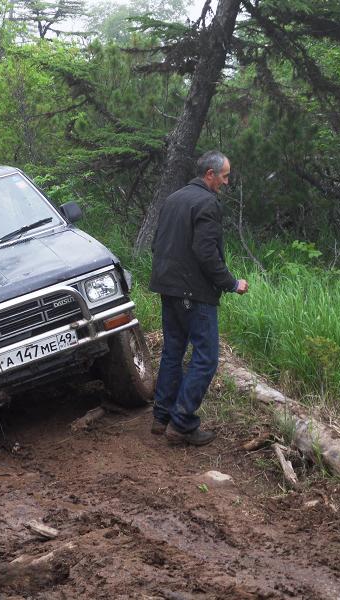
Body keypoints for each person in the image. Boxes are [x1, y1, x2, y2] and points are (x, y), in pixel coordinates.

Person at [148, 150, 249, 446]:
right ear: (210, 174)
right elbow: (206, 253)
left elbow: (156, 244)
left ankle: (161, 417)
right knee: (206, 359)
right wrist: (232, 283)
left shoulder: (173, 198)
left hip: (168, 289)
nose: (226, 182)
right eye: (224, 176)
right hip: (193, 294)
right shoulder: (207, 203)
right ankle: (181, 423)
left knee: (173, 351)